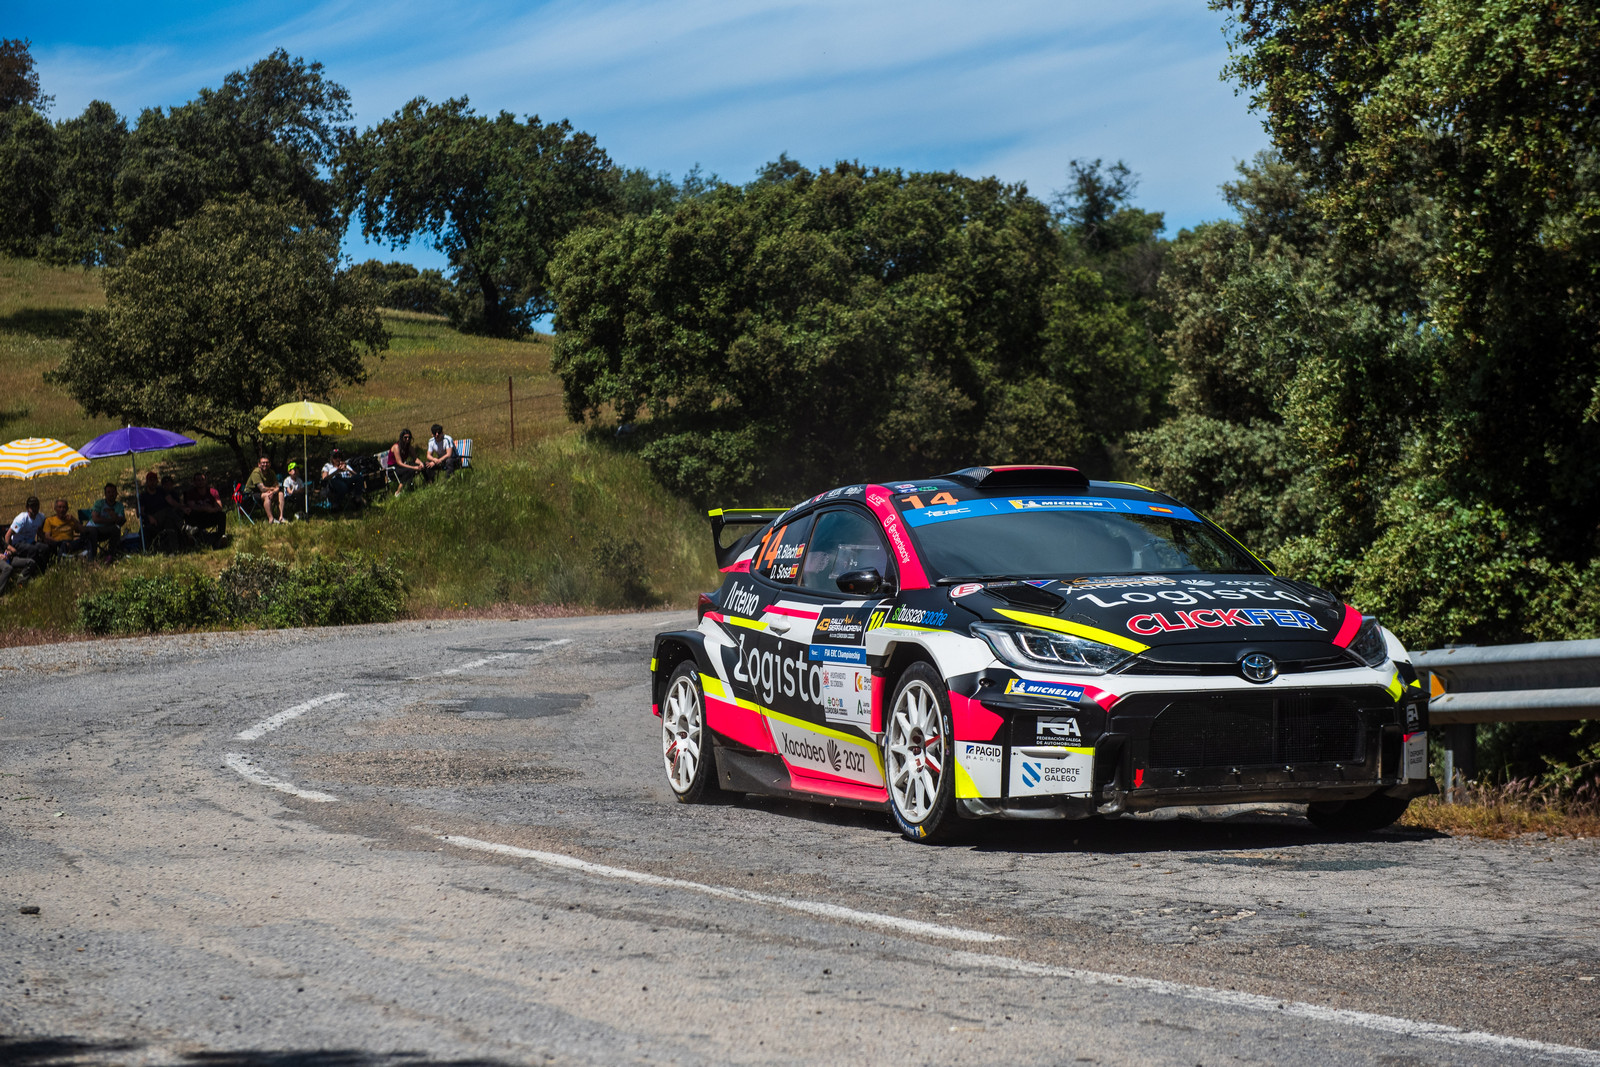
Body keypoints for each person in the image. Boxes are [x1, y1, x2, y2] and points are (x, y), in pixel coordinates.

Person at [5, 496, 53, 571]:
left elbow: (40, 529)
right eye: (32, 506)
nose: (34, 508)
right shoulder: (21, 519)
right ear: (27, 508)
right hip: (18, 543)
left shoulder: (40, 517)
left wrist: (45, 538)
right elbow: (8, 534)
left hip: (31, 542)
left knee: (44, 548)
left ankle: (43, 570)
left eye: (36, 506)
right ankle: (30, 569)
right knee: (32, 549)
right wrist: (8, 548)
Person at [183, 472, 227, 547]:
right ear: (194, 482)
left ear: (206, 481)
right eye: (198, 480)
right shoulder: (190, 493)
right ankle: (195, 539)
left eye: (202, 479)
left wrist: (211, 510)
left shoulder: (213, 492)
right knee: (190, 514)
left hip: (210, 515)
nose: (201, 482)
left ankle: (220, 537)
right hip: (197, 518)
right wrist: (204, 508)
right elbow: (192, 506)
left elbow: (219, 506)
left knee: (222, 515)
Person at [86, 483, 128, 560]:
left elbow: (120, 520)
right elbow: (95, 519)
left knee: (116, 529)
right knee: (92, 531)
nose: (111, 494)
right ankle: (92, 558)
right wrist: (112, 520)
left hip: (107, 530)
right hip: (93, 527)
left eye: (113, 492)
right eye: (108, 492)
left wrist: (112, 517)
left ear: (116, 493)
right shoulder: (99, 503)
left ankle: (110, 556)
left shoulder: (119, 506)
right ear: (105, 494)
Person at [245, 456, 285, 524]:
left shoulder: (271, 472)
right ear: (259, 464)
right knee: (267, 495)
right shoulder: (256, 473)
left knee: (280, 494)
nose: (265, 464)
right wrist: (273, 489)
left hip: (267, 492)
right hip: (251, 494)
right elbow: (262, 489)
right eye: (263, 463)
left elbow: (277, 487)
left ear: (270, 464)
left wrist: (273, 491)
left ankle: (281, 517)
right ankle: (271, 519)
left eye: (267, 462)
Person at [388, 428, 422, 496]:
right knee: (410, 470)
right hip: (393, 469)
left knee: (425, 464)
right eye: (405, 437)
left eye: (409, 437)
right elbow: (399, 463)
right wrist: (414, 467)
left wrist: (421, 463)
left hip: (402, 467)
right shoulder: (396, 447)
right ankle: (398, 491)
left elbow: (415, 458)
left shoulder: (409, 447)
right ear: (401, 438)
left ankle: (429, 482)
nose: (407, 439)